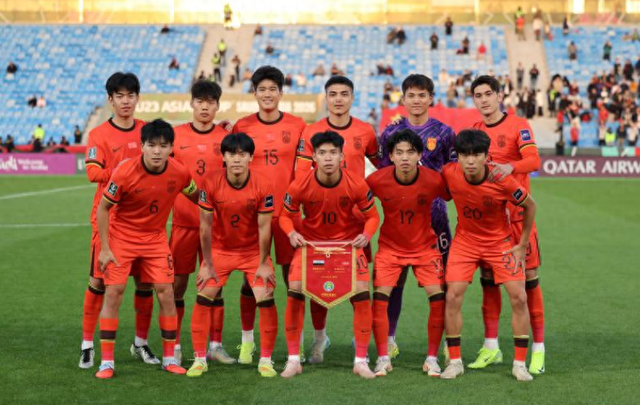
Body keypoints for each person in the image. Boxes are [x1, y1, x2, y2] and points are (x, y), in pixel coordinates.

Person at [94, 119, 199, 379]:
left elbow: (198, 196)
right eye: (151, 145)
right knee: (114, 293)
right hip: (122, 237)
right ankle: (106, 362)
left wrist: (222, 199)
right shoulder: (124, 172)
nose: (157, 151)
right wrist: (105, 249)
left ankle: (169, 359)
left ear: (171, 148)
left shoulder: (179, 172)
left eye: (163, 146)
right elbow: (103, 208)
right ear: (141, 146)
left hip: (155, 239)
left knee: (166, 292)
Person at [279, 131, 380, 379]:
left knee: (362, 292)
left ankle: (360, 360)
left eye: (333, 153)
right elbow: (284, 216)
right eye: (322, 153)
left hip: (347, 247)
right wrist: (291, 233)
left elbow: (373, 216)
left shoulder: (356, 183)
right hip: (312, 246)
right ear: (313, 156)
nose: (328, 158)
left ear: (342, 156)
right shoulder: (300, 184)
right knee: (295, 289)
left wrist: (366, 235)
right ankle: (293, 360)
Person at [439, 129, 537, 382]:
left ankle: (519, 365)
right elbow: (438, 192)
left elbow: (530, 205)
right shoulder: (449, 173)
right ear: (458, 157)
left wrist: (522, 243)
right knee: (452, 296)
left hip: (499, 243)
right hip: (465, 243)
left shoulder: (501, 179)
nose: (470, 161)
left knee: (519, 298)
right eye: (465, 155)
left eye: (477, 155)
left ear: (486, 156)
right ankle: (455, 362)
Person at [296, 76, 378, 363]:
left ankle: (359, 339)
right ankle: (320, 339)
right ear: (326, 98)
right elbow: (301, 175)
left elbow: (381, 166)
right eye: (333, 94)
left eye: (344, 94)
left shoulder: (366, 130)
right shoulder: (311, 131)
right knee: (317, 285)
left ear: (352, 97)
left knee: (359, 285)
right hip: (319, 224)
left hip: (356, 224)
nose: (339, 99)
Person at [80, 72, 158, 370]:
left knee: (145, 284)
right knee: (99, 282)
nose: (126, 101)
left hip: (143, 221)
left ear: (138, 98)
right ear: (110, 100)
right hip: (109, 221)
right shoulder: (99, 134)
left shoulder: (147, 131)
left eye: (131, 95)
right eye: (120, 96)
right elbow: (92, 172)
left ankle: (140, 342)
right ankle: (87, 345)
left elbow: (169, 155)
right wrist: (124, 170)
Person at [231, 66, 307, 364]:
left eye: (272, 89)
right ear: (254, 93)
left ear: (281, 92)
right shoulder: (242, 126)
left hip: (288, 214)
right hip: (253, 216)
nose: (267, 94)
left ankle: (296, 343)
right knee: (251, 281)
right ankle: (247, 341)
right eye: (261, 89)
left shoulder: (298, 125)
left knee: (293, 281)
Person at [471, 75, 545, 375]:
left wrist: (509, 166)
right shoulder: (475, 131)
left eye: (489, 93)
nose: (484, 100)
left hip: (517, 218)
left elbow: (534, 161)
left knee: (529, 281)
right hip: (488, 221)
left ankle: (538, 350)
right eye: (478, 95)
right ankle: (491, 347)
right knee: (488, 281)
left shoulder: (518, 125)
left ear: (499, 96)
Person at [377, 74, 455, 359]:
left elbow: (454, 173)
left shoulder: (444, 133)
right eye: (411, 95)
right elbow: (383, 174)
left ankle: (448, 339)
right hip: (399, 221)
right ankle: (389, 338)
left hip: (436, 220)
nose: (417, 100)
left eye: (422, 95)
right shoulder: (390, 133)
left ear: (431, 98)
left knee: (444, 284)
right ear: (403, 98)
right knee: (394, 283)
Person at [188, 133, 278, 378]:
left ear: (251, 157)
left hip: (252, 252)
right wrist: (206, 263)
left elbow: (264, 227)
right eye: (231, 154)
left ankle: (266, 360)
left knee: (265, 296)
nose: (236, 159)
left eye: (242, 154)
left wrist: (263, 263)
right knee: (204, 295)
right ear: (224, 157)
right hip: (220, 250)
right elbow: (205, 226)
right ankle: (199, 359)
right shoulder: (210, 182)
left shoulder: (263, 184)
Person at [367, 129, 448, 376]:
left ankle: (432, 358)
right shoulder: (376, 180)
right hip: (390, 249)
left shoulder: (433, 179)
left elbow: (456, 194)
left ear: (420, 155)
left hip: (425, 248)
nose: (405, 157)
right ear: (391, 156)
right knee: (379, 300)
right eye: (399, 152)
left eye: (411, 152)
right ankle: (383, 357)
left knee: (438, 299)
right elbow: (357, 201)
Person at [168, 80, 231, 365]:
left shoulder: (226, 137)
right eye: (200, 101)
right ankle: (174, 345)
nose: (205, 107)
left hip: (216, 226)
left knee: (215, 285)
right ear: (191, 103)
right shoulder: (175, 135)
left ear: (217, 105)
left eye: (210, 102)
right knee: (177, 285)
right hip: (183, 222)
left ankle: (215, 345)